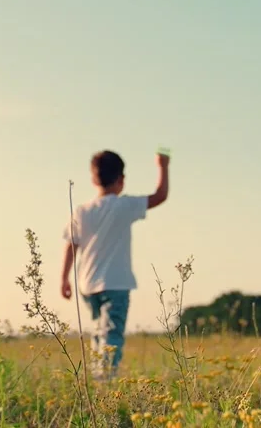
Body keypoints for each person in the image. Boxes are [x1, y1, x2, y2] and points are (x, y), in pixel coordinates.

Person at [61, 149, 169, 378]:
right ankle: (105, 380)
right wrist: (163, 165)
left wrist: (64, 278)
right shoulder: (124, 206)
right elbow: (160, 196)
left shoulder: (81, 211)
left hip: (87, 284)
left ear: (93, 179)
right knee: (112, 334)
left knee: (100, 332)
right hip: (116, 283)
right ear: (121, 180)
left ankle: (98, 376)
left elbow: (71, 244)